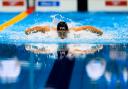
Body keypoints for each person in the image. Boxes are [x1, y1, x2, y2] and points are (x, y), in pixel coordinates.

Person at [25, 21, 103, 39]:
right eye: (60, 32)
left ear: (67, 31)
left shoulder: (73, 31)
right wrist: (29, 30)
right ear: (57, 31)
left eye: (64, 32)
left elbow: (86, 27)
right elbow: (39, 28)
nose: (62, 35)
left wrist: (98, 32)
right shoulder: (51, 30)